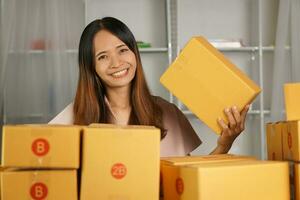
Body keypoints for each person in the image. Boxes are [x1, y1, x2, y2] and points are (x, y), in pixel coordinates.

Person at [49, 17, 250, 157]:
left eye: (122, 50)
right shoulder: (73, 116)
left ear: (134, 54)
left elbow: (187, 181)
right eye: (103, 56)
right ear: (90, 67)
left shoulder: (165, 112)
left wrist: (225, 143)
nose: (116, 62)